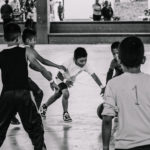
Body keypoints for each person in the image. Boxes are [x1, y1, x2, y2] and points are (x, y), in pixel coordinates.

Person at [0, 22, 59, 149]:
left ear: (5, 38)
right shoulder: (26, 51)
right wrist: (51, 81)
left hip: (6, 95)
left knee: (1, 127)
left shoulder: (1, 54)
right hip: (23, 94)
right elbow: (41, 68)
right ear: (18, 38)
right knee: (34, 126)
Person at [101, 36, 150, 150]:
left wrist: (105, 147)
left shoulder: (113, 84)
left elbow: (107, 120)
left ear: (120, 60)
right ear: (143, 59)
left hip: (125, 146)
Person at [11, 28, 67, 125]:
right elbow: (41, 67)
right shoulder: (29, 50)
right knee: (39, 93)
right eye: (34, 40)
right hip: (22, 79)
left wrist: (56, 66)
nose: (35, 42)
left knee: (20, 97)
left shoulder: (24, 48)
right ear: (28, 40)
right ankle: (31, 117)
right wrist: (51, 82)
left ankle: (13, 115)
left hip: (13, 78)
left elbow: (37, 63)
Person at [40, 47, 105, 122]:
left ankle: (44, 106)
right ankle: (65, 113)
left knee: (57, 95)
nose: (83, 63)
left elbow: (94, 76)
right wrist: (65, 81)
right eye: (81, 61)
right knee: (66, 93)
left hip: (69, 79)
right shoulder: (68, 62)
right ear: (74, 59)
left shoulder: (86, 65)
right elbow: (60, 75)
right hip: (60, 78)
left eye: (85, 60)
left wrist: (102, 87)